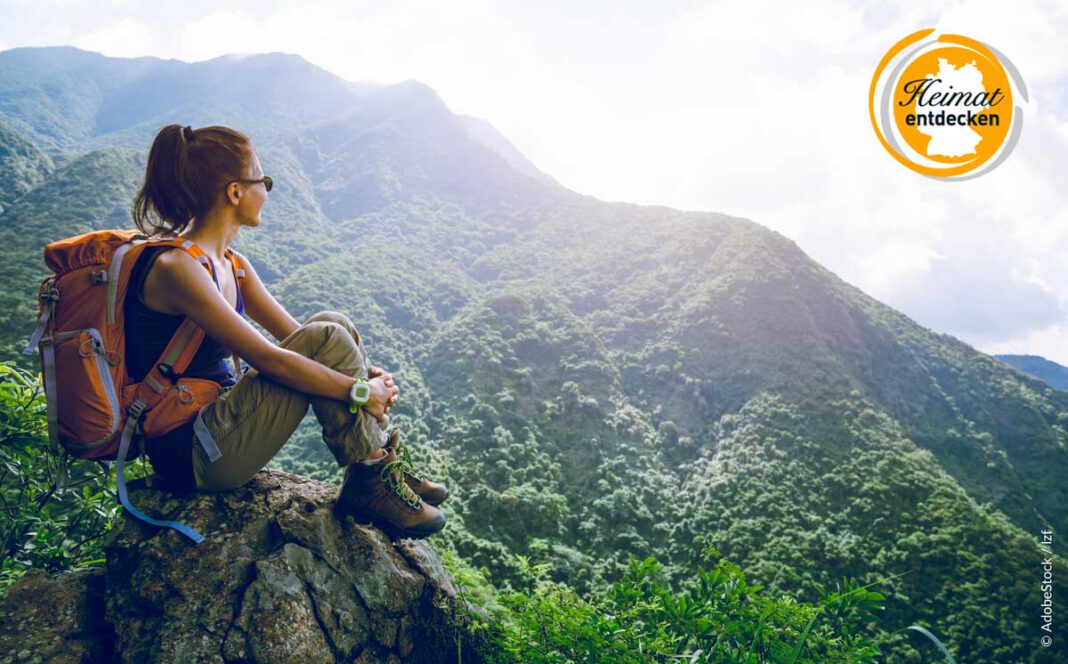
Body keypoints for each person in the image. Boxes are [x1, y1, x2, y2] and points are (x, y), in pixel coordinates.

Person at [125, 123, 447, 539]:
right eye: (264, 181)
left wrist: (364, 377)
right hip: (192, 452)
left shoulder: (231, 265)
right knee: (328, 337)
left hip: (219, 426)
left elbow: (302, 339)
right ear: (235, 192)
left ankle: (377, 465)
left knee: (333, 324)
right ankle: (370, 477)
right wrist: (362, 393)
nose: (267, 191)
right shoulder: (178, 270)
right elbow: (271, 359)